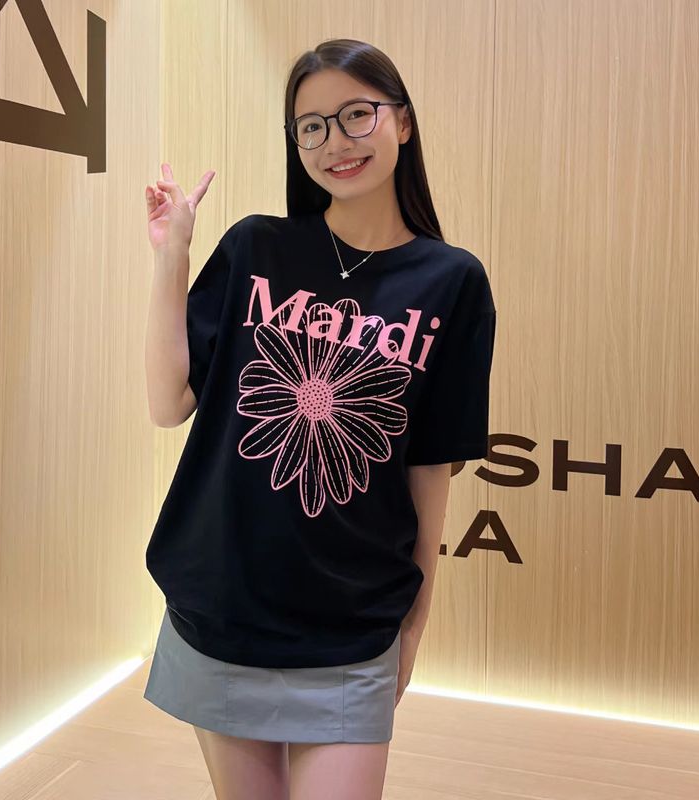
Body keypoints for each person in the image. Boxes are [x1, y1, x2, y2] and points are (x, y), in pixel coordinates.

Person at [141, 38, 496, 800]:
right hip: (224, 605)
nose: (336, 141)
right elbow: (168, 403)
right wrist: (172, 255)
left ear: (403, 121)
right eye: (312, 126)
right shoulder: (256, 247)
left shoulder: (452, 281)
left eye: (357, 114)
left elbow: (429, 471)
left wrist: (413, 626)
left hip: (350, 625)